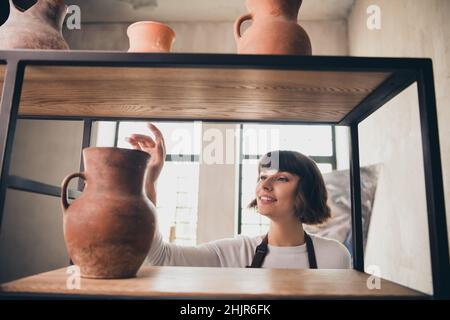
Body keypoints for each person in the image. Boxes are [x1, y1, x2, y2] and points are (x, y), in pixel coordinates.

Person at [126, 123, 351, 269]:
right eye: (262, 177)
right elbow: (160, 259)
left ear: (306, 190)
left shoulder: (334, 256)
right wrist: (148, 180)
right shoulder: (233, 253)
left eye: (281, 178)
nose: (265, 185)